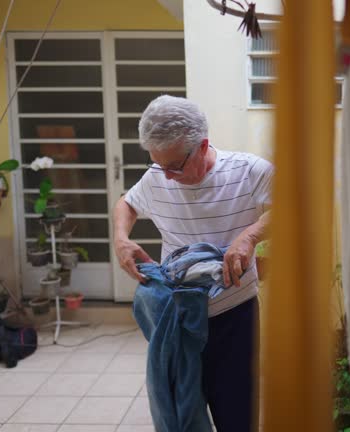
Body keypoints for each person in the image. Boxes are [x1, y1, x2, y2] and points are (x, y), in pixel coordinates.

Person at [114, 95, 272, 431]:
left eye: (175, 166)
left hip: (235, 318)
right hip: (179, 319)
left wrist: (250, 236)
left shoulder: (249, 171)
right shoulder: (157, 176)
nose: (167, 176)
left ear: (202, 145)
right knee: (181, 413)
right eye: (159, 165)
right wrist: (121, 239)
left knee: (237, 416)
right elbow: (126, 203)